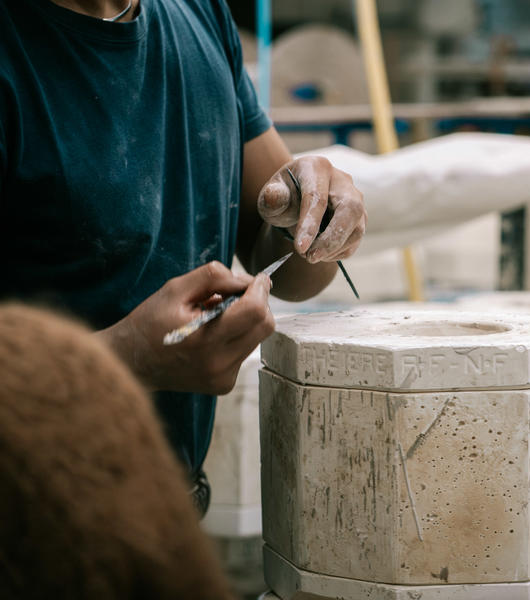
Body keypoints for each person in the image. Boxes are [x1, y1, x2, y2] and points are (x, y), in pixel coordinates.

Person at [0, 0, 367, 514]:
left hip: (169, 512)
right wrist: (124, 360)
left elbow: (284, 257)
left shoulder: (200, 15)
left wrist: (312, 219)